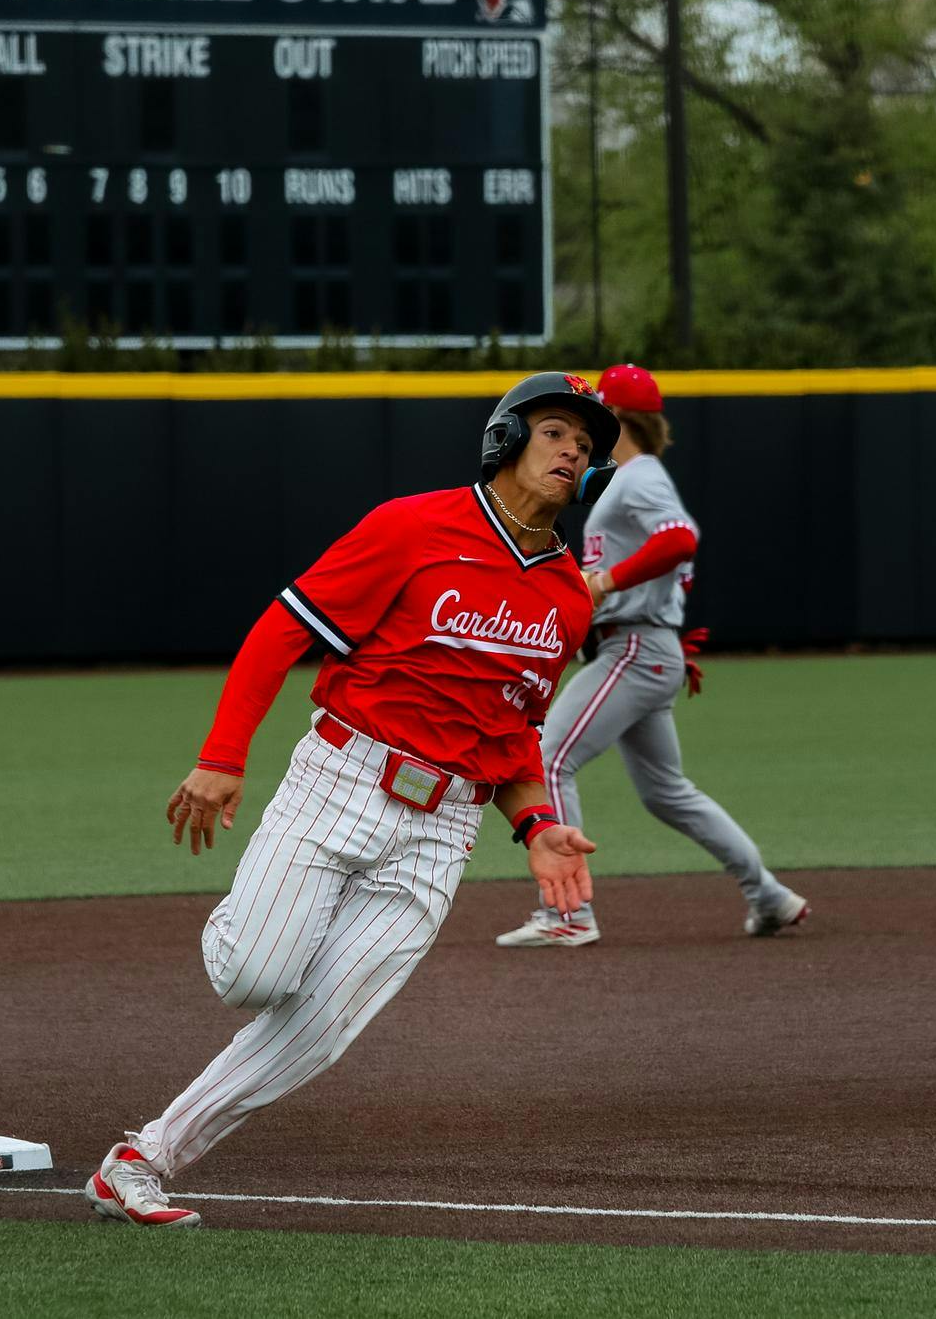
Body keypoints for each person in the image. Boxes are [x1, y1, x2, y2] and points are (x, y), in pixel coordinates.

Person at [85, 371, 613, 1229]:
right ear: (508, 438)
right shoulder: (413, 525)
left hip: (442, 830)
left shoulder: (564, 598)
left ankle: (143, 1159)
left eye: (585, 447)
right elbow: (282, 628)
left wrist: (538, 823)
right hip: (343, 778)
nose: (571, 452)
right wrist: (222, 755)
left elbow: (513, 733)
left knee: (324, 1022)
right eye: (555, 432)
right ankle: (260, 920)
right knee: (258, 974)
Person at [496, 363, 806, 948]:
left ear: (616, 418)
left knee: (547, 756)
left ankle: (568, 913)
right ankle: (769, 895)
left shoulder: (638, 476)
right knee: (668, 792)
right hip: (648, 645)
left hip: (636, 644)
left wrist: (608, 583)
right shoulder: (637, 477)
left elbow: (680, 538)